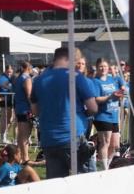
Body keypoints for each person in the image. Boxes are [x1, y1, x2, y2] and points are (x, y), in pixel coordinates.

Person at [30, 47, 98, 179]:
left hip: (49, 139)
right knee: (87, 180)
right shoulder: (76, 77)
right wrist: (85, 113)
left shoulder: (38, 80)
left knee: (56, 184)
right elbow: (93, 107)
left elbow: (35, 111)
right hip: (73, 137)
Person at [91, 58, 127, 170]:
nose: (103, 68)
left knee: (116, 145)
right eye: (101, 66)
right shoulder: (96, 81)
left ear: (109, 68)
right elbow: (96, 99)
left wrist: (121, 92)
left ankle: (107, 165)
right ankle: (104, 169)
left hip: (114, 115)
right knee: (105, 142)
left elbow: (123, 88)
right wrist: (110, 96)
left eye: (105, 66)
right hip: (102, 116)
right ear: (97, 68)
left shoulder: (113, 80)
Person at [13, 61, 35, 163]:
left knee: (21, 134)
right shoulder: (26, 78)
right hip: (26, 109)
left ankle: (18, 156)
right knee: (26, 134)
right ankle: (25, 158)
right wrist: (34, 107)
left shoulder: (18, 78)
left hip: (19, 108)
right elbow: (29, 95)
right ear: (28, 68)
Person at [0, 64, 15, 144]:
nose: (9, 73)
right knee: (5, 119)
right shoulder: (2, 78)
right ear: (5, 71)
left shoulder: (10, 78)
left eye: (11, 71)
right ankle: (3, 137)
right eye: (8, 71)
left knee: (10, 119)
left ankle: (4, 136)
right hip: (4, 101)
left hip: (10, 101)